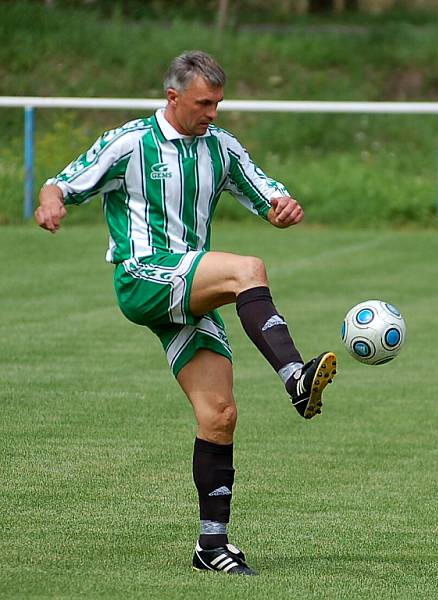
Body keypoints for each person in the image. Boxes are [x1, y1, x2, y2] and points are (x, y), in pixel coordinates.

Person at [35, 50, 337, 576]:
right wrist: (51, 202)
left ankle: (211, 546)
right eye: (204, 102)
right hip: (144, 277)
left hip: (188, 290)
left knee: (219, 415)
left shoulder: (220, 148)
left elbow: (270, 198)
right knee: (248, 268)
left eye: (219, 102)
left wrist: (284, 210)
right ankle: (295, 376)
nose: (214, 112)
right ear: (173, 97)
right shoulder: (130, 142)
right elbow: (61, 181)